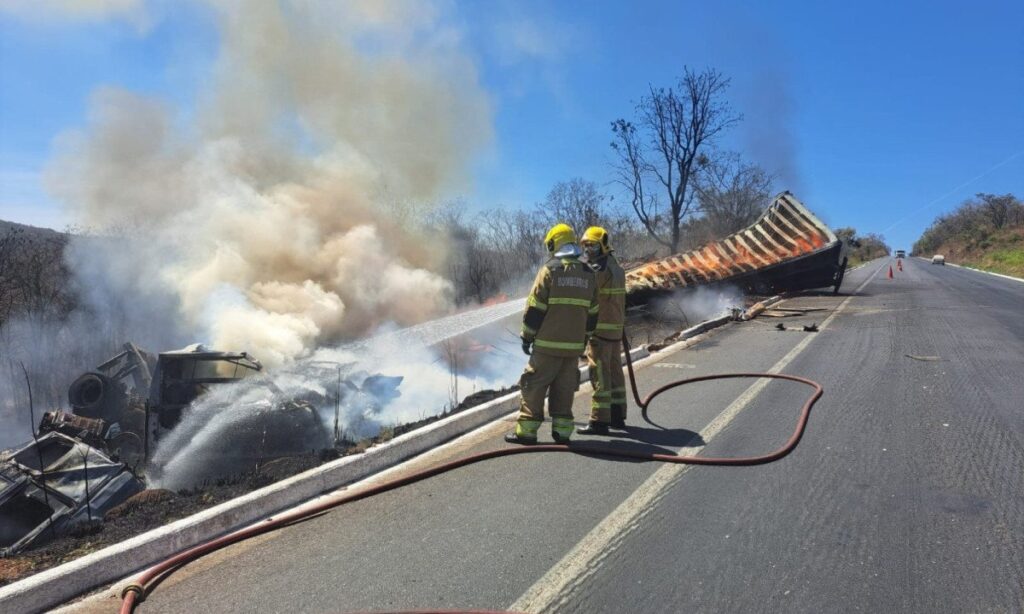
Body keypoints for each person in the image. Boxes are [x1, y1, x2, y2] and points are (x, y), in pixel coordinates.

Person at [506, 223, 599, 445]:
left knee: (534, 385)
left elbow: (535, 308)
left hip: (547, 346)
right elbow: (593, 312)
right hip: (573, 348)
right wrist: (584, 338)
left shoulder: (549, 270)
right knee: (564, 388)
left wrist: (527, 337)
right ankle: (563, 432)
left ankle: (527, 432)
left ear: (553, 243)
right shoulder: (589, 274)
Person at [577, 226, 628, 435]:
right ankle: (617, 416)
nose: (589, 250)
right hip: (615, 330)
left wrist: (578, 263)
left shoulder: (600, 268)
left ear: (603, 246)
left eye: (593, 246)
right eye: (586, 246)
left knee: (599, 374)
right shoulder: (616, 266)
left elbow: (586, 287)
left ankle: (599, 421)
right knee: (615, 373)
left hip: (600, 331)